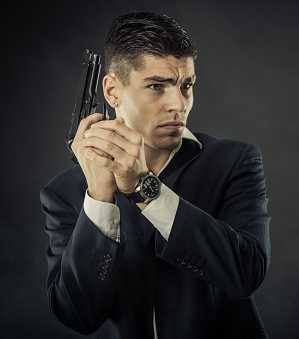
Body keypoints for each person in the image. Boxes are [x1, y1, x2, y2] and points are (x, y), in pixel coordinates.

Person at [40, 11, 271, 339]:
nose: (178, 103)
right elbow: (77, 314)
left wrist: (143, 188)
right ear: (112, 91)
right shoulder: (64, 192)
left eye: (186, 85)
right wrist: (100, 201)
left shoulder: (234, 161)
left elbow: (245, 274)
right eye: (157, 86)